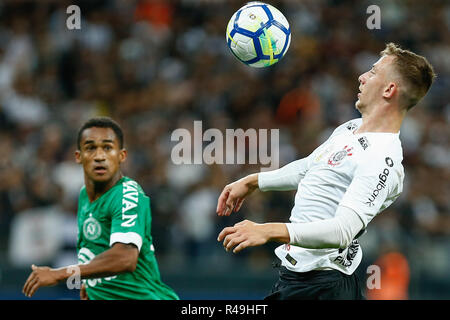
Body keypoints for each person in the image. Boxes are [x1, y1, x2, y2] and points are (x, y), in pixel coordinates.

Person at [216, 43, 436, 300]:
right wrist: (255, 181)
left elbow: (342, 231)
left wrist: (267, 231)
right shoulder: (351, 128)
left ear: (389, 90)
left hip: (323, 287)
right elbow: (312, 166)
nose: (362, 77)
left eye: (373, 72)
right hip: (300, 279)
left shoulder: (382, 160)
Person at [23, 117, 179, 300]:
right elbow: (96, 247)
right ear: (78, 157)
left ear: (121, 156)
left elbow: (125, 258)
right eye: (90, 148)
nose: (99, 156)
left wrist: (60, 274)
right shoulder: (84, 196)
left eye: (107, 148)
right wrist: (90, 282)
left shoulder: (127, 194)